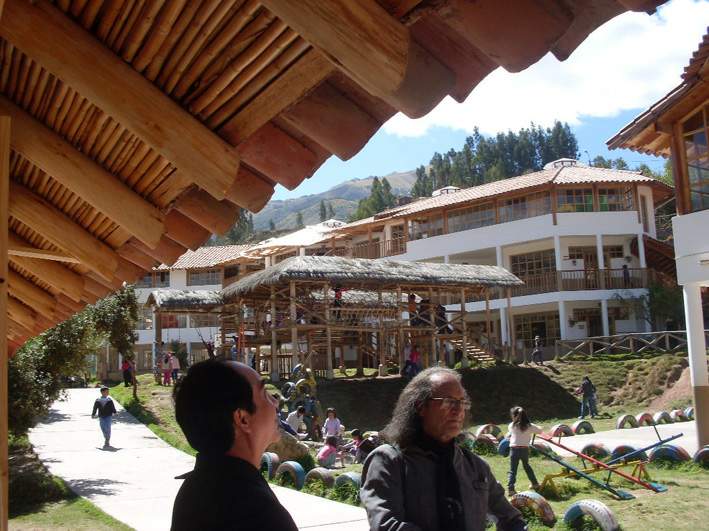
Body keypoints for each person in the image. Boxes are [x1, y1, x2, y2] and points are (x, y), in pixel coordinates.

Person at [361, 367, 527, 531]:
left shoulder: (475, 467)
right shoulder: (389, 462)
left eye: (462, 402)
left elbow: (511, 520)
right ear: (420, 406)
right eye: (448, 401)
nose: (458, 410)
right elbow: (386, 525)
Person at [171, 360, 297, 531]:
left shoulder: (194, 490)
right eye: (265, 394)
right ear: (243, 419)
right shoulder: (258, 513)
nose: (275, 402)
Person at [506, 406, 542, 496]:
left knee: (513, 470)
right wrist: (537, 426)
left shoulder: (511, 426)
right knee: (527, 466)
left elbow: (510, 434)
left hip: (514, 449)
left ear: (514, 416)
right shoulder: (529, 426)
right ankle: (535, 484)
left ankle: (511, 489)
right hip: (524, 449)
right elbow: (540, 431)